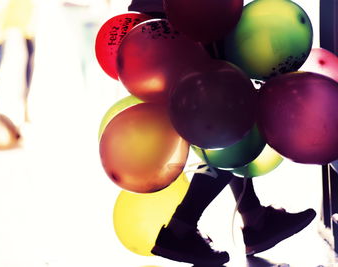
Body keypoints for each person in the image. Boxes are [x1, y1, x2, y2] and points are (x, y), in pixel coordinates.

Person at [128, 1, 316, 265]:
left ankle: (254, 219)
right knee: (227, 117)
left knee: (226, 114)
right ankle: (180, 229)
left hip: (170, 17)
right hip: (187, 14)